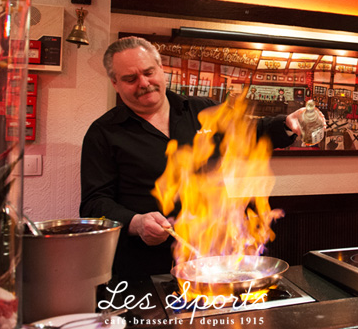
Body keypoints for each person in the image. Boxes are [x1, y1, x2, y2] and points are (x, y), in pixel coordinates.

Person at [80, 36, 309, 281]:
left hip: (212, 257)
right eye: (130, 78)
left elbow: (253, 131)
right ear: (115, 83)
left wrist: (287, 123)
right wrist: (136, 222)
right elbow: (94, 203)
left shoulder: (201, 110)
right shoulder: (104, 132)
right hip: (145, 267)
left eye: (148, 72)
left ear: (161, 69)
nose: (144, 83)